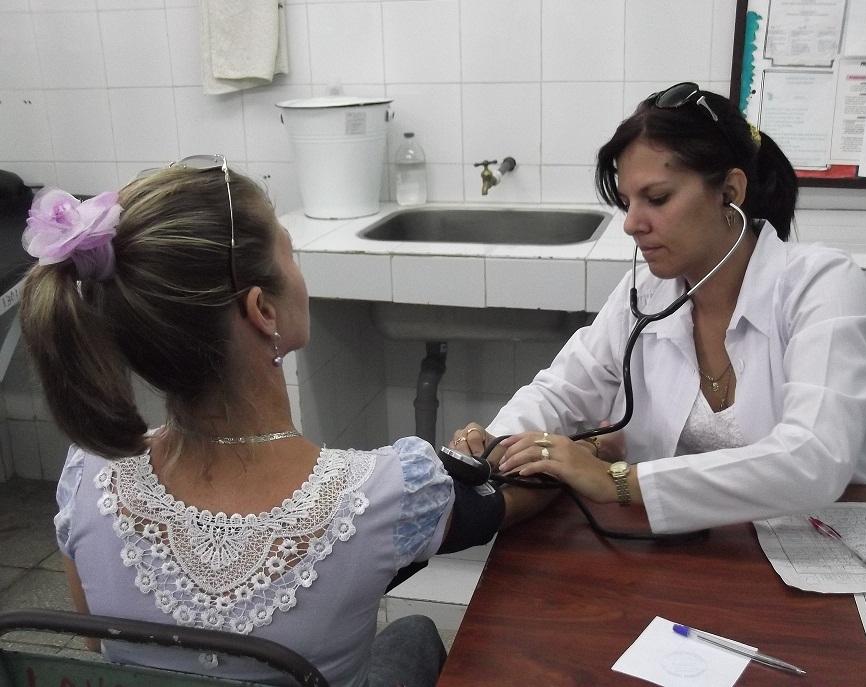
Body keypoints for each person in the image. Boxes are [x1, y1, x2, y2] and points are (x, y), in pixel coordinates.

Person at [19, 158, 546, 687]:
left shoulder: (88, 474)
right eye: (289, 252)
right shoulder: (386, 493)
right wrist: (596, 463)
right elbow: (518, 499)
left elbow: (93, 641)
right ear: (262, 310)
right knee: (414, 634)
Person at [451, 82, 866, 535]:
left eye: (657, 198)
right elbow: (560, 392)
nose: (630, 224)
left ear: (729, 192)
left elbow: (813, 460)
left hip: (836, 542)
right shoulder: (646, 294)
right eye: (627, 203)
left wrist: (618, 480)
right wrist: (496, 443)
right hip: (707, 549)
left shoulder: (822, 284)